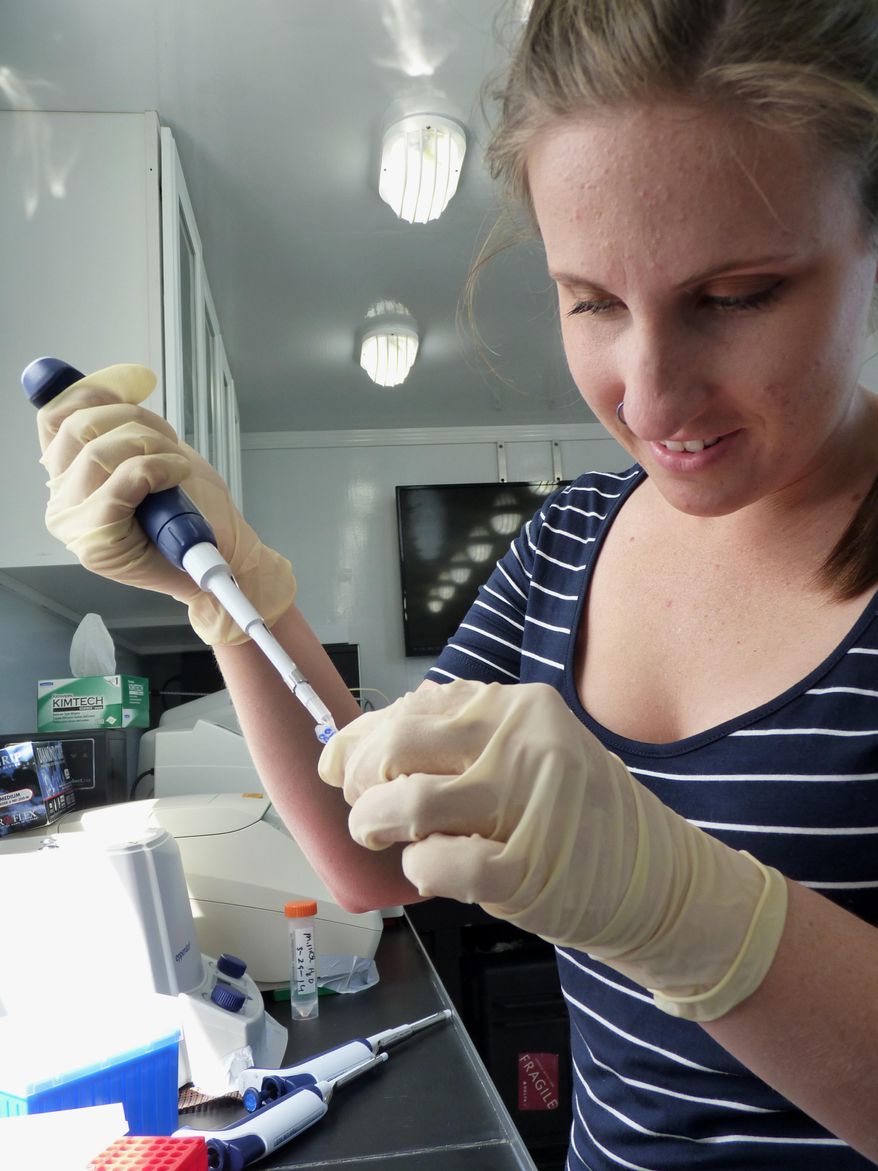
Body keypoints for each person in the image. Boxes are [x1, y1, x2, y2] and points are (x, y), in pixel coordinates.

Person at [31, 1, 878, 1166]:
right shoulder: (564, 543)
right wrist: (235, 601)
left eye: (734, 296)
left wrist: (695, 915)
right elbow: (370, 855)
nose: (651, 395)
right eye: (590, 301)